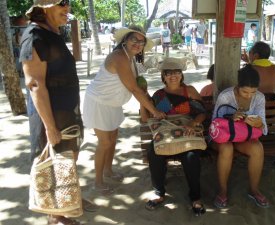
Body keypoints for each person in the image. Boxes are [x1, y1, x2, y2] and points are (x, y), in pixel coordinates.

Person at [20, 1, 98, 224]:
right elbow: (34, 84)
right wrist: (50, 127)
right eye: (62, 4)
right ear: (45, 7)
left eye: (69, 4)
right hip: (51, 115)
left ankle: (70, 199)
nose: (68, 8)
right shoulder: (34, 36)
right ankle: (56, 216)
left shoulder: (52, 33)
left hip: (67, 111)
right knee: (55, 163)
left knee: (68, 159)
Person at [83, 26, 166, 194]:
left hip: (112, 103)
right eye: (133, 39)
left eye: (141, 41)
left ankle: (108, 171)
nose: (137, 43)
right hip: (99, 102)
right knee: (104, 142)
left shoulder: (131, 58)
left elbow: (138, 84)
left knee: (113, 138)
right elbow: (134, 89)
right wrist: (154, 111)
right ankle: (97, 181)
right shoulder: (119, 57)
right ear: (125, 40)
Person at [140, 57, 206, 216]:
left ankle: (195, 198)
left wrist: (192, 124)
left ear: (182, 75)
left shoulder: (189, 91)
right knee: (154, 154)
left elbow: (202, 113)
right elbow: (145, 118)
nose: (173, 76)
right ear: (163, 77)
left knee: (191, 157)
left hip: (186, 133)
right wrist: (143, 99)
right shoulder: (159, 95)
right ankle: (159, 193)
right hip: (166, 136)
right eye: (168, 73)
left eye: (177, 73)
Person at [211, 64, 269, 209]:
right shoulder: (226, 96)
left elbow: (265, 128)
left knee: (257, 147)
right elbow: (215, 124)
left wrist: (259, 123)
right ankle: (223, 191)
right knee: (227, 148)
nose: (249, 95)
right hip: (222, 136)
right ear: (238, 86)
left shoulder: (260, 98)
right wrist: (231, 117)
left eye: (253, 92)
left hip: (243, 137)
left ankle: (254, 189)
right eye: (245, 92)